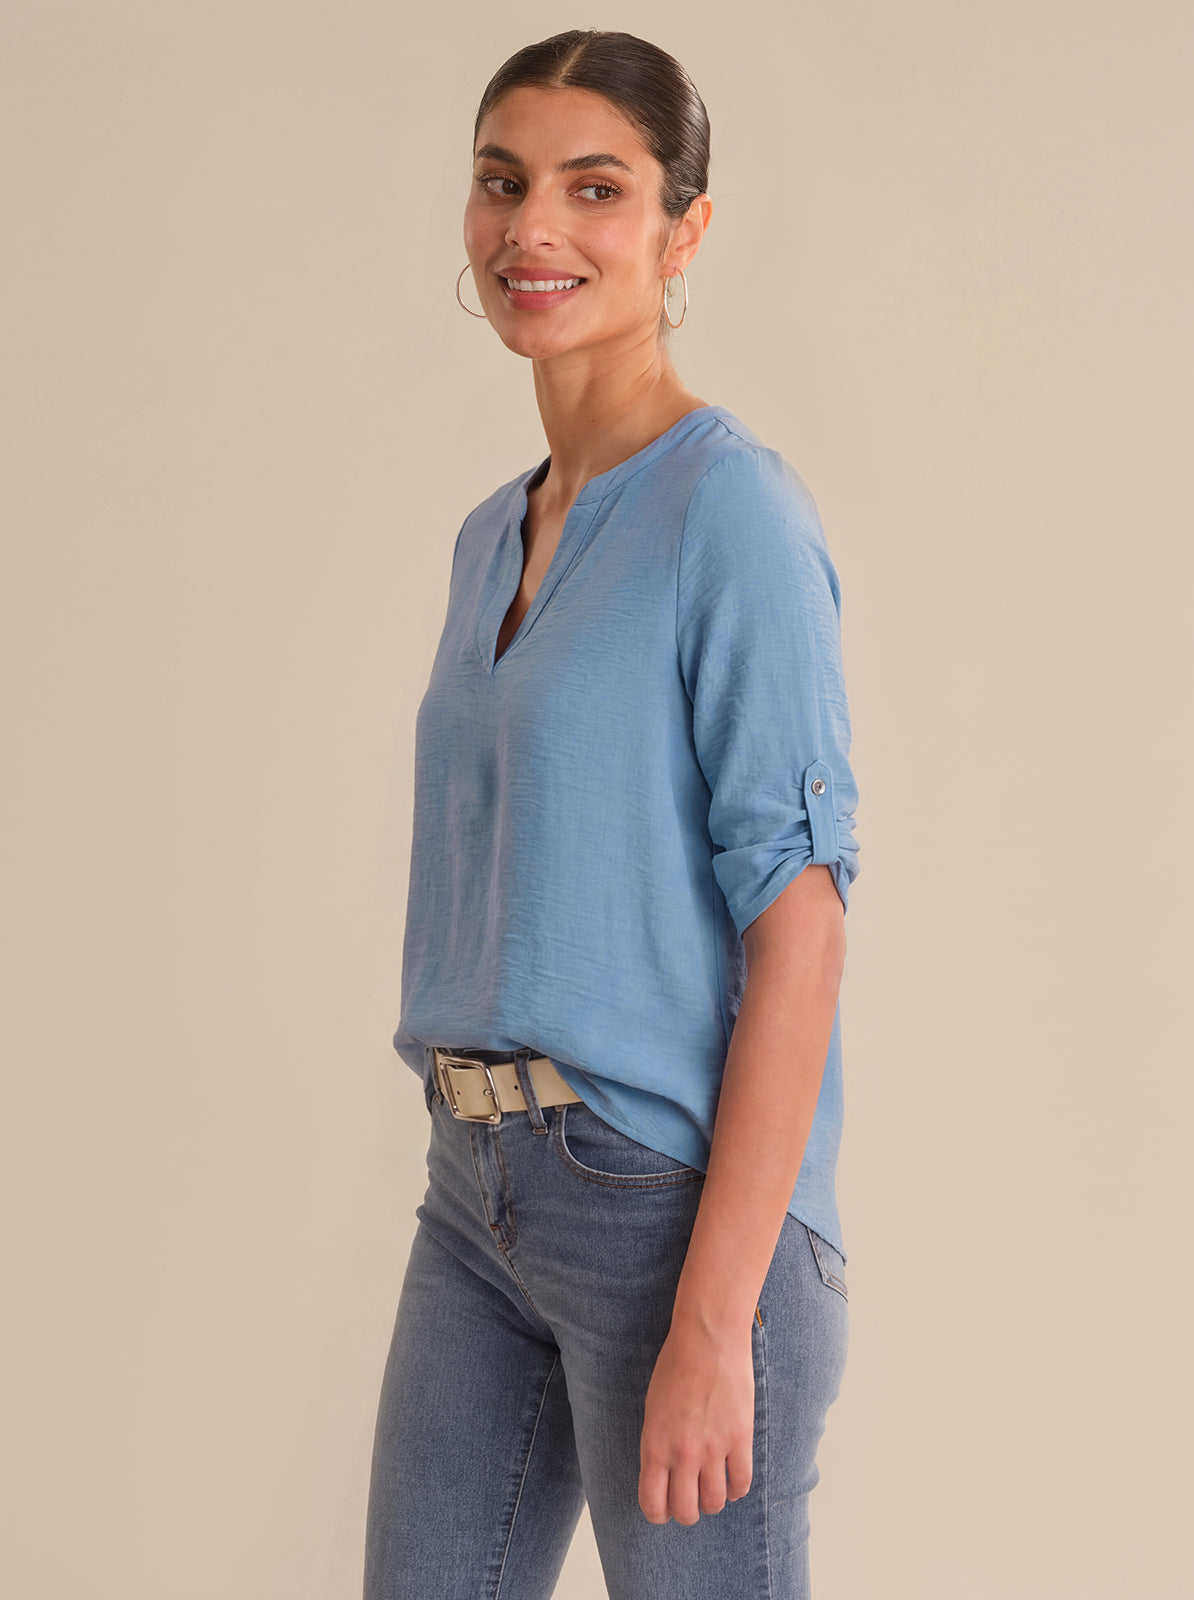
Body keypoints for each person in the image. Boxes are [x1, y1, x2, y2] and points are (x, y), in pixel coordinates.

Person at [363, 28, 861, 1600]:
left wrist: (717, 1313)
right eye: (504, 185)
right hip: (474, 1196)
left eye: (597, 188)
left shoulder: (734, 512)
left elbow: (803, 923)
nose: (536, 231)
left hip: (661, 1207)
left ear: (682, 226)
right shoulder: (486, 536)